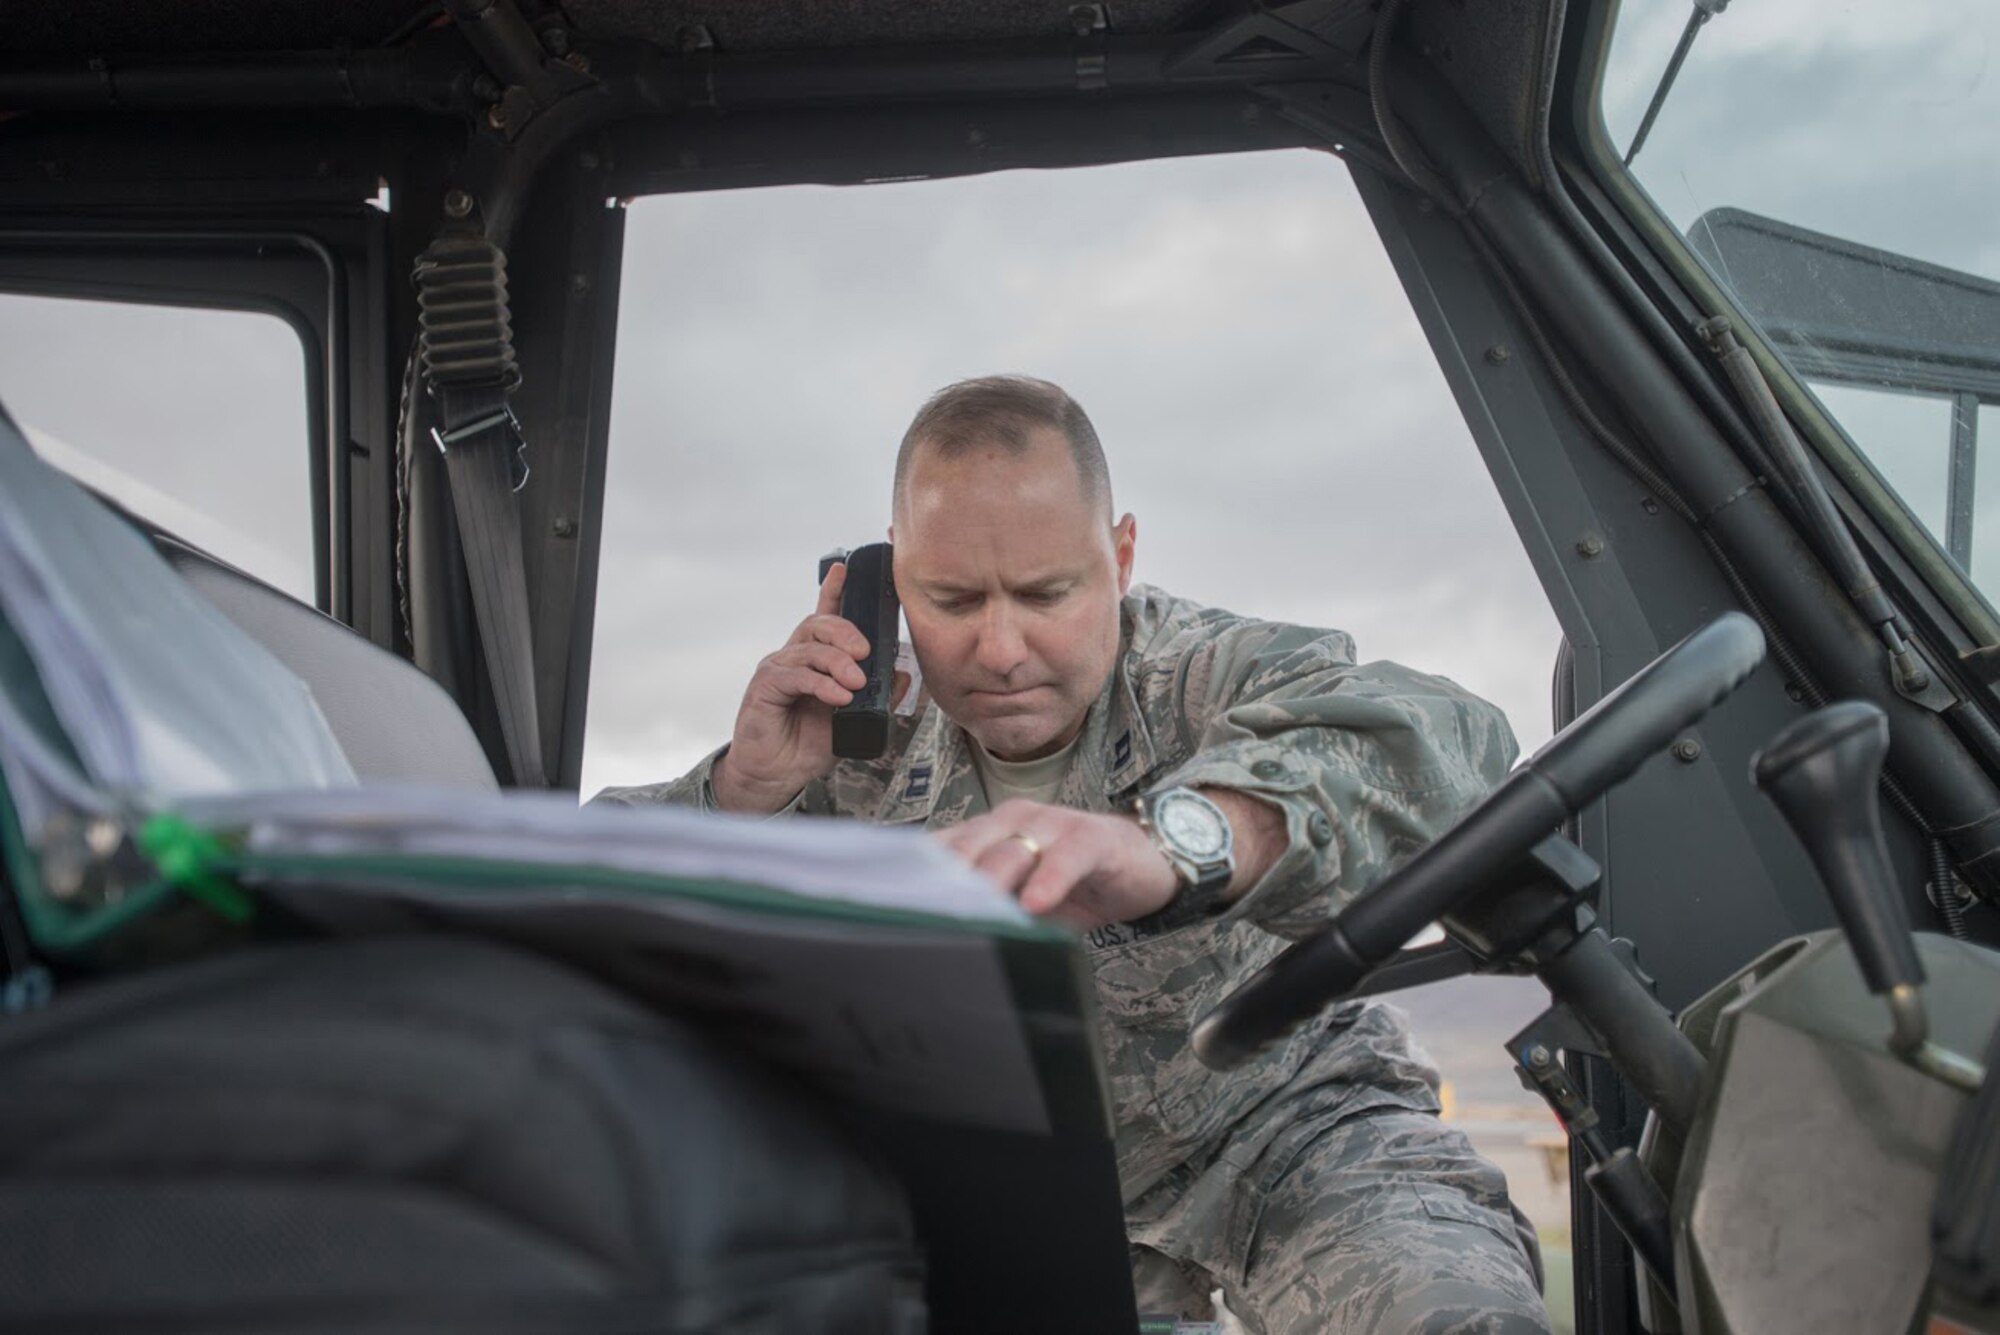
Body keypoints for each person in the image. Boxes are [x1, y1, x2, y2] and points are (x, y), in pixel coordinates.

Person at [595, 375, 1551, 1334]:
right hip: (982, 1185)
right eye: (953, 599)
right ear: (884, 581)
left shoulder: (1204, 677)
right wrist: (740, 794)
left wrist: (1181, 840)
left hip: (1288, 1136)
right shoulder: (847, 738)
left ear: (1121, 556)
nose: (1002, 648)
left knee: (1454, 1315)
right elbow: (571, 905)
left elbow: (1449, 739)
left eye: (1048, 593)